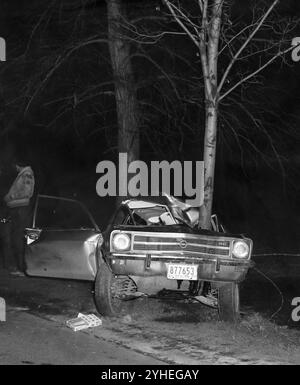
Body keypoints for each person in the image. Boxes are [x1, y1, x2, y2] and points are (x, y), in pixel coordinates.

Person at [2, 161, 35, 276]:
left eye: (15, 165)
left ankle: (21, 268)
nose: (15, 168)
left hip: (21, 209)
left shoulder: (26, 174)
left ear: (18, 164)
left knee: (18, 238)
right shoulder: (23, 174)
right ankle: (18, 267)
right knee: (15, 238)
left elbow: (26, 192)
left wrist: (10, 197)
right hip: (17, 209)